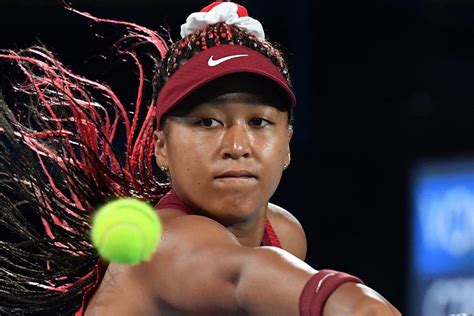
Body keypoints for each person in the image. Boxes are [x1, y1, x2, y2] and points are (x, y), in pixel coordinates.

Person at [0, 1, 401, 315]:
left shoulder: (285, 234)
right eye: (207, 122)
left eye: (259, 122)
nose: (237, 145)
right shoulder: (164, 245)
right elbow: (248, 278)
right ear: (161, 147)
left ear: (288, 145)